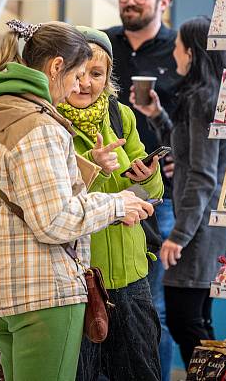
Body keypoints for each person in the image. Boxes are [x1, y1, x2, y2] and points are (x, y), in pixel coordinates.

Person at [0, 20, 155, 381]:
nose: (76, 87)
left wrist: (88, 171)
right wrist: (118, 205)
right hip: (43, 293)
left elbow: (17, 190)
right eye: (77, 74)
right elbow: (54, 220)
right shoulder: (39, 125)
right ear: (55, 67)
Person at [131, 16, 226, 367]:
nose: (173, 52)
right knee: (199, 320)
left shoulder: (201, 101)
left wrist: (177, 236)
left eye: (178, 46)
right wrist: (157, 116)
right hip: (214, 222)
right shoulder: (217, 97)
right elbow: (191, 156)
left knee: (184, 320)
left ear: (191, 53)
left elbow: (202, 175)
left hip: (199, 227)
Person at [57, 26, 164, 381]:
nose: (86, 82)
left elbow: (154, 192)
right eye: (79, 72)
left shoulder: (122, 116)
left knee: (141, 372)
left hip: (132, 276)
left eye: (97, 73)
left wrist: (145, 176)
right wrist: (94, 164)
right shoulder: (49, 123)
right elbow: (55, 198)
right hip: (80, 280)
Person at [106, 0, 179, 379]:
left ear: (163, 2)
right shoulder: (102, 45)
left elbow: (197, 120)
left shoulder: (178, 49)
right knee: (106, 305)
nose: (130, 1)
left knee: (151, 306)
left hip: (160, 197)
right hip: (103, 193)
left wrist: (179, 155)